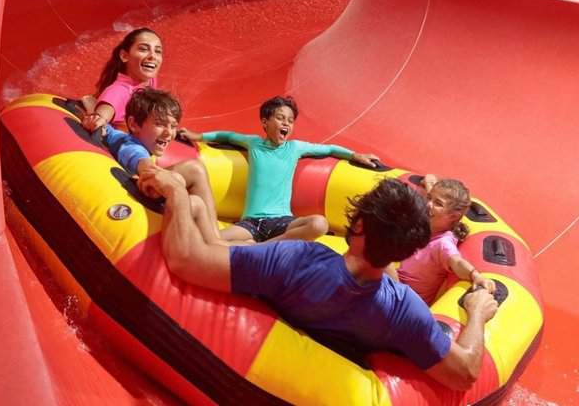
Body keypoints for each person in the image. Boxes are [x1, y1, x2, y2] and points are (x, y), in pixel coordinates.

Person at [138, 170, 498, 391]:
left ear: (357, 225)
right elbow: (465, 373)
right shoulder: (403, 310)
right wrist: (477, 311)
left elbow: (186, 259)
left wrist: (176, 192)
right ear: (405, 248)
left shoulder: (297, 259)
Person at [180, 95, 381, 243]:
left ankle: (263, 247)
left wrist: (356, 155)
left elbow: (329, 148)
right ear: (265, 122)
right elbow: (227, 135)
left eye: (290, 120)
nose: (286, 123)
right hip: (250, 223)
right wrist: (199, 136)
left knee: (319, 224)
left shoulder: (295, 148)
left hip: (282, 222)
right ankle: (258, 246)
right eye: (280, 118)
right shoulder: (254, 143)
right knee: (209, 239)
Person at [80, 28, 218, 238]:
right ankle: (214, 237)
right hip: (131, 165)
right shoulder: (119, 91)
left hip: (142, 151)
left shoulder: (146, 83)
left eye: (158, 51)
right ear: (125, 55)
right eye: (144, 49)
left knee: (193, 180)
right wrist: (94, 114)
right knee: (195, 170)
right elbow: (103, 116)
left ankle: (212, 234)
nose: (153, 56)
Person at [105, 86, 221, 245]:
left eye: (173, 126)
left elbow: (109, 132)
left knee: (193, 172)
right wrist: (171, 181)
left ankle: (215, 236)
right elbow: (144, 166)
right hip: (139, 194)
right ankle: (215, 240)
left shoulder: (120, 137)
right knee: (193, 171)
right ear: (133, 124)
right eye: (160, 124)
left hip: (138, 186)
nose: (169, 133)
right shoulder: (132, 147)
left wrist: (96, 118)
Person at [393, 177, 496, 305]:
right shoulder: (428, 222)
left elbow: (457, 261)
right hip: (394, 287)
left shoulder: (442, 243)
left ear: (453, 216)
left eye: (438, 203)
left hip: (404, 302)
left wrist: (475, 275)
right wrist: (429, 182)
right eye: (429, 198)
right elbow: (432, 196)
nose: (428, 204)